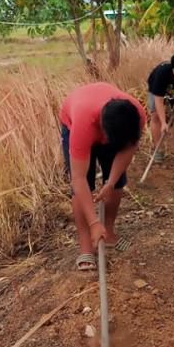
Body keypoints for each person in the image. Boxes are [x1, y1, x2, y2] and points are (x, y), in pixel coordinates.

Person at [60, 82, 146, 271]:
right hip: (74, 119)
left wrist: (111, 182)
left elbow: (128, 149)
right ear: (102, 130)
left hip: (113, 126)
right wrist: (93, 222)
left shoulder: (135, 116)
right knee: (83, 186)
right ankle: (86, 246)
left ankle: (109, 232)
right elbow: (79, 179)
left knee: (118, 182)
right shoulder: (83, 125)